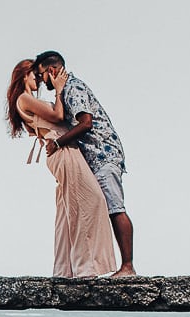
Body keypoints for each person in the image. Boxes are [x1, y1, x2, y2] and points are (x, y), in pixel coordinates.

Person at [6, 59, 116, 278]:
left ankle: (65, 270)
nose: (38, 79)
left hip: (62, 149)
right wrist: (58, 91)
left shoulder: (26, 100)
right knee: (89, 201)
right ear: (24, 76)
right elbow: (57, 116)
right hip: (62, 150)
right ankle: (86, 269)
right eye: (34, 75)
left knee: (67, 210)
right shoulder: (24, 98)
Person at [35, 51, 136, 276]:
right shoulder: (65, 90)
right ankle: (99, 265)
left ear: (51, 71)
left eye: (42, 75)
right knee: (101, 207)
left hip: (103, 155)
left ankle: (128, 266)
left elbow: (86, 123)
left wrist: (58, 143)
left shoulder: (73, 88)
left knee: (114, 208)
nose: (42, 80)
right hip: (94, 159)